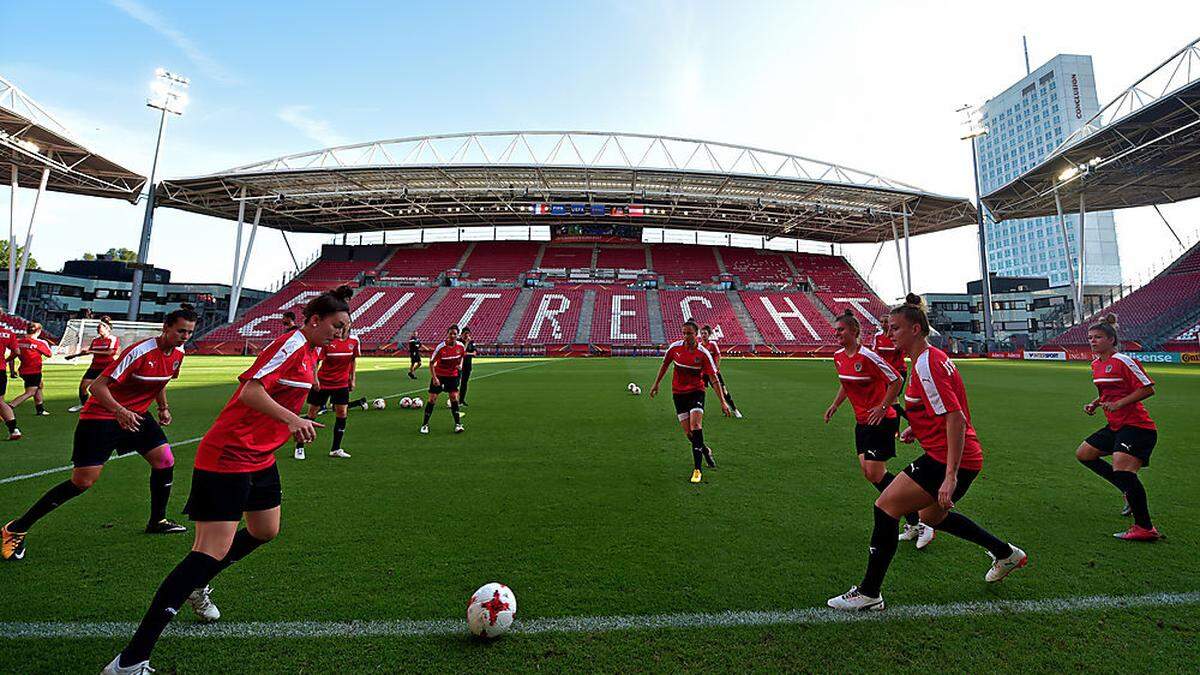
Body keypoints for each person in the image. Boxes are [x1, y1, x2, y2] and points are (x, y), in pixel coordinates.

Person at [100, 287, 349, 675]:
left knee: (265, 530)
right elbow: (251, 391)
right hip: (229, 454)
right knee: (207, 551)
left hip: (260, 456)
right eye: (337, 325)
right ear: (314, 320)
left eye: (346, 327)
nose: (341, 333)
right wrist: (292, 419)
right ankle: (130, 661)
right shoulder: (290, 344)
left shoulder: (313, 350)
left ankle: (200, 584)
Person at [827, 295, 1026, 612]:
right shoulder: (929, 359)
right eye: (889, 329)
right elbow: (939, 410)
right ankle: (1006, 553)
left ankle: (869, 592)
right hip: (947, 453)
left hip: (946, 458)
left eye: (896, 329)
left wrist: (950, 476)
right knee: (932, 516)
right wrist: (915, 428)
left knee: (885, 507)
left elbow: (956, 418)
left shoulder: (927, 364)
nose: (890, 334)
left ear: (916, 329)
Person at [2, 305, 198, 562]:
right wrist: (119, 411)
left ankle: (157, 520)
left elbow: (161, 381)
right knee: (82, 482)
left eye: (189, 332)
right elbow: (97, 387)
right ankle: (15, 528)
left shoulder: (178, 354)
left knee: (165, 461)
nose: (185, 336)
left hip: (136, 415)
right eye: (180, 331)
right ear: (166, 328)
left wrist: (163, 408)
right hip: (102, 417)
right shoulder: (140, 352)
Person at [823, 311, 933, 549]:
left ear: (853, 331)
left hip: (881, 421)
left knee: (874, 472)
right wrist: (835, 405)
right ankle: (914, 520)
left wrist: (883, 407)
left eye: (841, 330)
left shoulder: (868, 356)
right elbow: (846, 383)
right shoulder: (839, 357)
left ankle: (920, 520)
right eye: (836, 331)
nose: (837, 334)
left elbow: (895, 379)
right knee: (869, 472)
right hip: (862, 422)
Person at [1076, 314, 1162, 541]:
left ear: (1111, 339)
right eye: (1090, 337)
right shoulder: (1095, 364)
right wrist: (1095, 403)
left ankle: (1145, 528)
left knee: (1123, 470)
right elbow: (1107, 391)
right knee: (1084, 454)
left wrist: (1119, 404)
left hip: (1137, 426)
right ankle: (1126, 490)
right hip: (1115, 425)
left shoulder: (1123, 360)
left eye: (1098, 337)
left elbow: (1147, 388)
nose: (1092, 341)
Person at [649, 320, 731, 483]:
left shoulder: (703, 353)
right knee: (689, 434)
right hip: (678, 393)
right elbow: (665, 364)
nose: (686, 336)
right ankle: (706, 451)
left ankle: (697, 470)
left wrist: (723, 402)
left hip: (696, 392)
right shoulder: (675, 348)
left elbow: (714, 379)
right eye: (684, 333)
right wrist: (656, 383)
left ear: (696, 334)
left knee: (696, 426)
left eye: (690, 333)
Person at [295, 323, 360, 460]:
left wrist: (352, 378)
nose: (343, 327)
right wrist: (315, 379)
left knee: (342, 414)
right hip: (323, 383)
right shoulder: (327, 341)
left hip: (341, 384)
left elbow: (353, 360)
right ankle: (300, 447)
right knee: (312, 413)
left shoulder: (354, 341)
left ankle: (336, 449)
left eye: (346, 324)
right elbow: (315, 361)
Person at [68, 315, 120, 413]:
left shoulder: (112, 339)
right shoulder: (95, 340)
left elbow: (111, 352)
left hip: (107, 367)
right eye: (97, 328)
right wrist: (74, 356)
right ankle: (83, 405)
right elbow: (90, 351)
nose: (97, 329)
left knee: (107, 388)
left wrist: (92, 352)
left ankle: (110, 406)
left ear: (107, 329)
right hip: (94, 366)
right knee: (83, 386)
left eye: (99, 328)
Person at [420, 326, 465, 434]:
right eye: (451, 334)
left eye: (455, 334)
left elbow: (462, 356)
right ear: (447, 334)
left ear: (458, 335)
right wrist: (434, 378)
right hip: (439, 375)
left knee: (454, 397)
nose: (453, 336)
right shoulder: (441, 347)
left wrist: (460, 365)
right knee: (432, 399)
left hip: (452, 375)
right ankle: (425, 425)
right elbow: (431, 363)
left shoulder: (461, 346)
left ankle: (458, 425)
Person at [8, 323, 52, 416]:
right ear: (39, 331)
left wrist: (12, 371)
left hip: (23, 370)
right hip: (34, 371)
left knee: (39, 386)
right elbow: (49, 354)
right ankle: (9, 407)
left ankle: (40, 410)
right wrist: (45, 344)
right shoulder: (39, 343)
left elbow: (12, 357)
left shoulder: (18, 342)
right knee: (30, 392)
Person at [699, 325, 742, 418]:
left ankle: (734, 409)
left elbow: (718, 356)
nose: (703, 335)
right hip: (703, 373)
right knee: (699, 392)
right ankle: (698, 411)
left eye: (705, 333)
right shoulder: (699, 346)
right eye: (702, 333)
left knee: (723, 391)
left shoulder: (712, 344)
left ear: (709, 334)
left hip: (713, 373)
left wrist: (716, 367)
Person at [872, 314, 907, 418]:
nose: (883, 324)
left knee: (891, 401)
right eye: (881, 322)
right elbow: (875, 354)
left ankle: (912, 422)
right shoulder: (878, 336)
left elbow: (904, 352)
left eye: (886, 322)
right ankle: (899, 426)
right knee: (891, 401)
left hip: (898, 372)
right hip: (885, 373)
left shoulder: (897, 336)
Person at [0, 321, 22, 440]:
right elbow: (17, 352)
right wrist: (6, 360)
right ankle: (14, 430)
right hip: (1, 370)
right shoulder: (7, 333)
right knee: (1, 401)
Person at [458, 327, 477, 406]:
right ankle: (454, 399)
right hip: (459, 365)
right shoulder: (459, 342)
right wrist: (466, 344)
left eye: (468, 334)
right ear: (462, 334)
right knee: (456, 383)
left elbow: (475, 353)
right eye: (465, 334)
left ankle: (461, 400)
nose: (467, 336)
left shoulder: (472, 342)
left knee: (464, 383)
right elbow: (462, 352)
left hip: (468, 365)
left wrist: (468, 353)